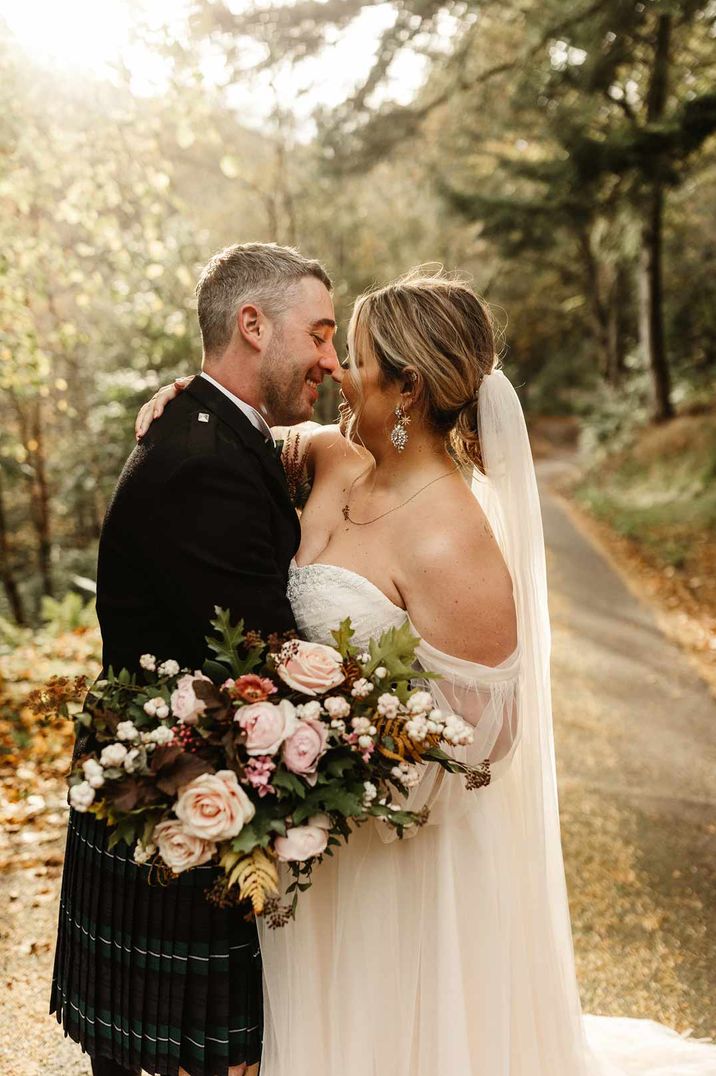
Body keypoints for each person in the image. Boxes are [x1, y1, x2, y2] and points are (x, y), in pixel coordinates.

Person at [137, 269, 716, 1075]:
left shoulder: (453, 536)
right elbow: (238, 433)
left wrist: (347, 765)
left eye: (361, 357)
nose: (339, 368)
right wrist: (182, 403)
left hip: (395, 864)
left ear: (407, 387)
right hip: (315, 856)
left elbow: (489, 735)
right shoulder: (332, 458)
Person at [52, 243, 340, 1076]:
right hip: (179, 801)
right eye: (318, 334)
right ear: (252, 325)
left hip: (181, 783)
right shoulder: (203, 462)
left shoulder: (221, 431)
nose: (330, 357)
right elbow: (264, 661)